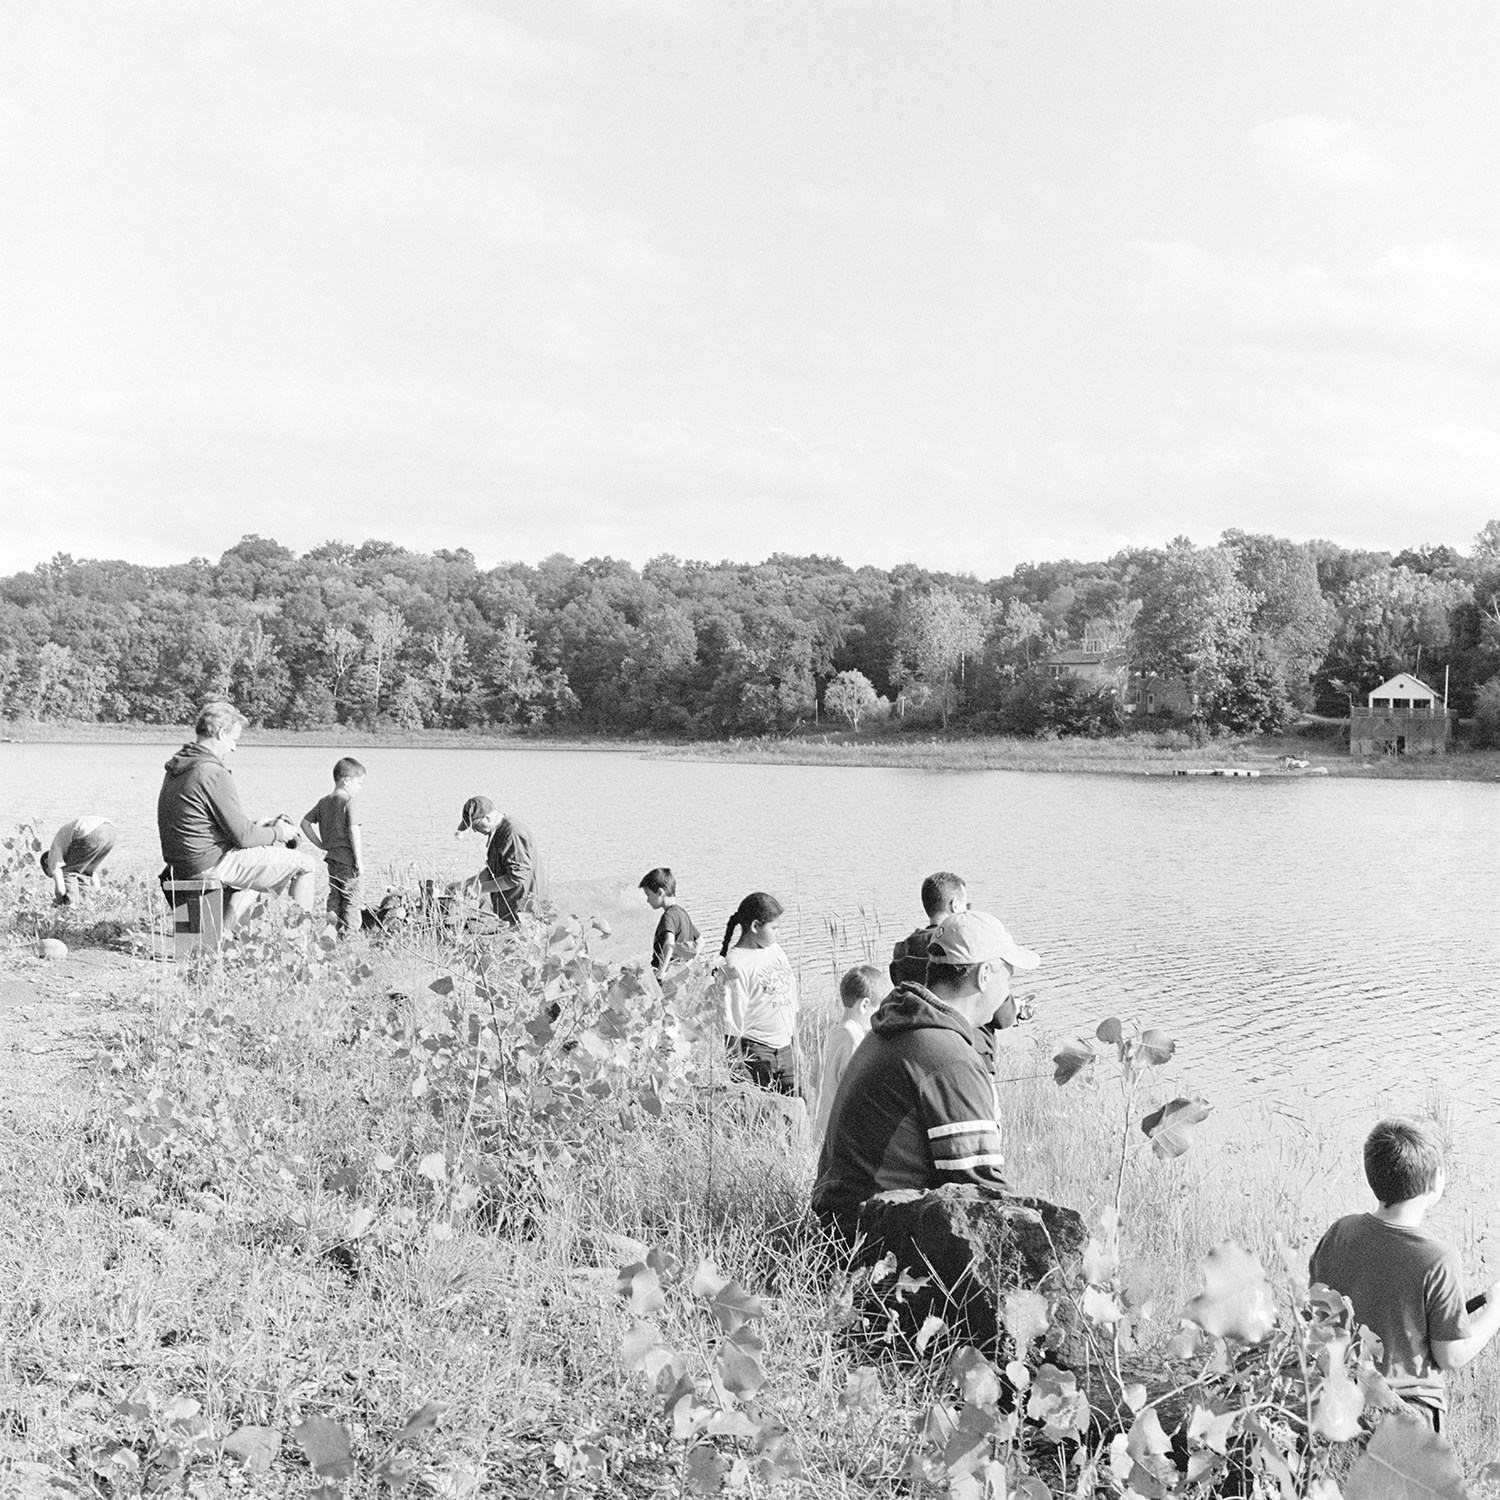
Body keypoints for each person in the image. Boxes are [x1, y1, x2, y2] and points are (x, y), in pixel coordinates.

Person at [812, 909, 1040, 1242]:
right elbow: (981, 1194)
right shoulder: (949, 1057)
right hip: (872, 1240)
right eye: (1008, 977)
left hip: (841, 1224)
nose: (1008, 992)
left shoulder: (894, 1025)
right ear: (984, 975)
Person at [1309, 1117, 1500, 1433]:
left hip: (1339, 1398)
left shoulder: (1339, 1231)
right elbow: (1451, 1356)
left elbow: (1319, 1312)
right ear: (1436, 1180)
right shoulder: (1438, 1258)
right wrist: (1495, 1310)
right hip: (1407, 1412)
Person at [157, 701, 317, 927]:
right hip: (208, 864)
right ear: (221, 733)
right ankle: (298, 941)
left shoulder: (180, 766)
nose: (234, 748)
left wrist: (259, 826)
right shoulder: (212, 771)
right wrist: (280, 832)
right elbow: (243, 837)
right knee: (306, 865)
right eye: (234, 740)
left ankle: (223, 932)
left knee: (257, 864)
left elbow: (207, 824)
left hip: (182, 864)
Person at [890, 873, 1038, 1074]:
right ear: (955, 905)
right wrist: (1016, 1007)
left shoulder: (905, 951)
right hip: (973, 1051)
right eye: (967, 906)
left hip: (920, 1051)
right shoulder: (970, 949)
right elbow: (1002, 1017)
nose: (968, 911)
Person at [714, 891, 799, 1095]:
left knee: (797, 1105)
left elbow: (791, 999)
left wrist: (796, 1045)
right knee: (765, 1108)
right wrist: (738, 1071)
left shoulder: (775, 950)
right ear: (755, 926)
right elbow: (730, 1023)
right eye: (774, 928)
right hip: (758, 1052)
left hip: (786, 1048)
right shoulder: (735, 964)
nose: (779, 933)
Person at [812, 964, 889, 1146]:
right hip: (842, 1137)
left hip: (821, 1132)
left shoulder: (831, 1035)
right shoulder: (855, 1043)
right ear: (864, 1005)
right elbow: (860, 1098)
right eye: (879, 1010)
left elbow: (813, 1080)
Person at [300, 757, 366, 936]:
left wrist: (321, 844)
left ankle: (331, 933)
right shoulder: (350, 801)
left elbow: (305, 823)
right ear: (347, 781)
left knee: (335, 897)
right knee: (352, 899)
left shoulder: (324, 802)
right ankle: (350, 936)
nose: (360, 788)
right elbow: (353, 830)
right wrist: (359, 860)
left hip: (332, 859)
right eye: (359, 783)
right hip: (347, 860)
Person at [452, 795, 536, 924]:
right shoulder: (498, 832)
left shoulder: (512, 833)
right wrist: (465, 884)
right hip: (509, 911)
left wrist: (479, 889)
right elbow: (493, 870)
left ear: (488, 818)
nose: (474, 830)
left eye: (475, 825)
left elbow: (517, 876)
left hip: (523, 912)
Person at [40, 816, 117, 906]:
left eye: (52, 875)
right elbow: (96, 887)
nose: (56, 877)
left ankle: (71, 909)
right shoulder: (77, 857)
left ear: (47, 861)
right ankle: (83, 907)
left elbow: (60, 890)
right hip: (110, 831)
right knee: (84, 874)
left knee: (68, 873)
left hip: (90, 832)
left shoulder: (53, 854)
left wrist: (59, 903)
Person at [639, 866, 700, 976]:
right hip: (678, 975)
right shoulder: (683, 913)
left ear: (660, 892)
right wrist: (687, 964)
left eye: (648, 895)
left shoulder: (668, 916)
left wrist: (661, 973)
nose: (647, 900)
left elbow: (669, 943)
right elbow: (700, 942)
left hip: (666, 975)